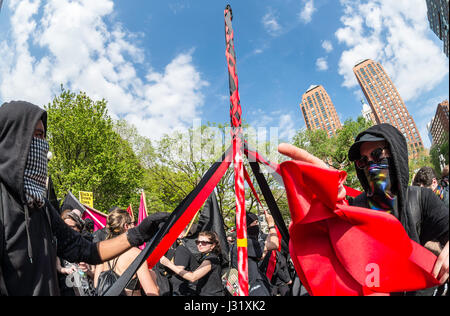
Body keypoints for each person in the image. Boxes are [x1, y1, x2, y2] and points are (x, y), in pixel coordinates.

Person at [0, 100, 159, 296]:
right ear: (13, 139)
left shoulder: (42, 206)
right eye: (37, 135)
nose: (44, 146)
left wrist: (136, 235)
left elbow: (84, 250)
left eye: (43, 136)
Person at [278, 123, 449, 295]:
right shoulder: (356, 207)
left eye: (377, 154)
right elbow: (321, 236)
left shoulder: (421, 197)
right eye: (363, 161)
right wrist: (325, 193)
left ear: (394, 152)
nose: (371, 165)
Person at [94, 209, 159, 296]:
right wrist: (153, 278)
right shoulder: (136, 254)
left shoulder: (104, 250)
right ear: (126, 226)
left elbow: (96, 284)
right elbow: (152, 292)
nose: (135, 226)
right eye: (133, 223)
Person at [230, 210, 279, 296]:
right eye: (255, 223)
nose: (257, 226)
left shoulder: (240, 242)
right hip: (253, 286)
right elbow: (274, 245)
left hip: (248, 284)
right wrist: (271, 225)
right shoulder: (245, 242)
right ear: (247, 224)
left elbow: (261, 255)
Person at [160, 231, 225, 296]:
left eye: (204, 242)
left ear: (213, 245)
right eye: (198, 242)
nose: (200, 244)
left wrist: (168, 264)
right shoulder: (204, 256)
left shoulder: (211, 259)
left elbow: (193, 277)